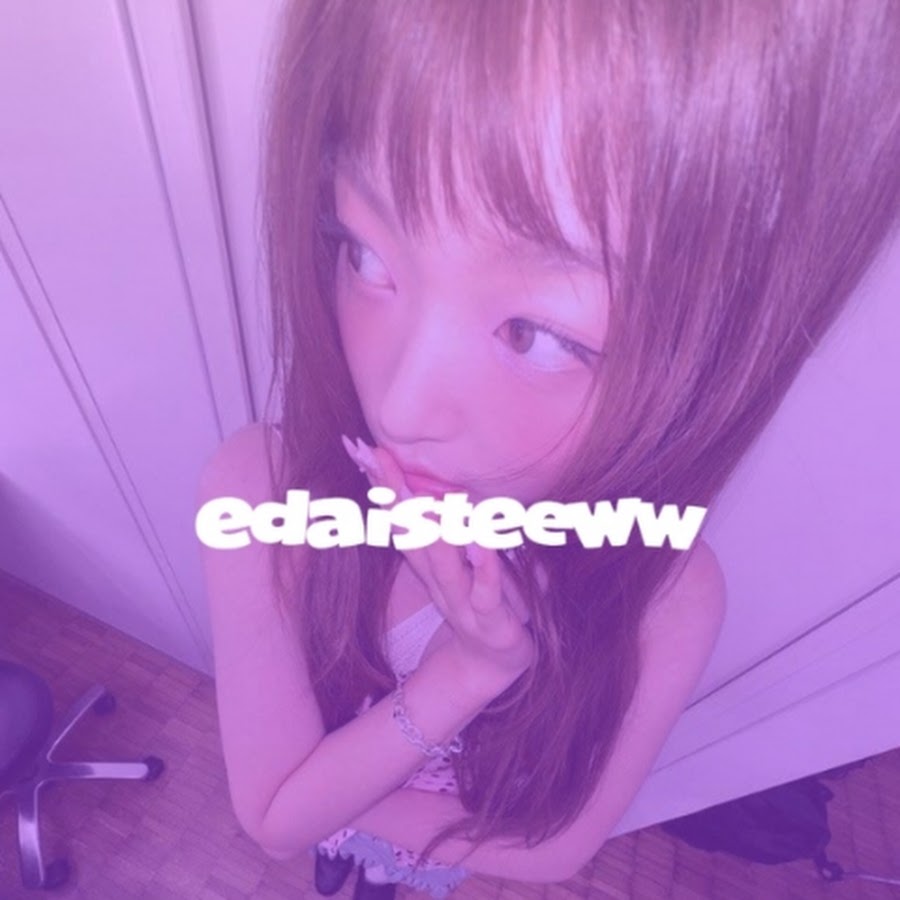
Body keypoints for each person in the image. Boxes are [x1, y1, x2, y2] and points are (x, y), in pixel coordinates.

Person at [197, 1, 900, 897]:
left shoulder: (666, 595)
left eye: (536, 334)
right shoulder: (263, 493)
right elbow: (274, 821)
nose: (399, 407)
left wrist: (333, 789)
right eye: (366, 254)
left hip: (433, 845)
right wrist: (469, 673)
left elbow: (554, 853)